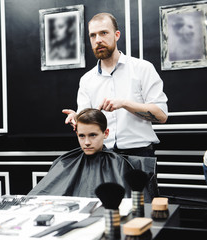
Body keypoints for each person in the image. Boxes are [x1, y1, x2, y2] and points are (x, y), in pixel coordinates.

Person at [63, 13, 168, 157]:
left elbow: (161, 116)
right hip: (101, 156)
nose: (98, 40)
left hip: (139, 155)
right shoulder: (86, 80)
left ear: (116, 35)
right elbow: (86, 122)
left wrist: (124, 103)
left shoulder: (143, 68)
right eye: (93, 36)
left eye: (104, 33)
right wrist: (77, 118)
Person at [28, 108, 135, 198]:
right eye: (82, 136)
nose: (87, 142)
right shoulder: (65, 161)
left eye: (93, 135)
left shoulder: (118, 164)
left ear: (106, 133)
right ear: (77, 134)